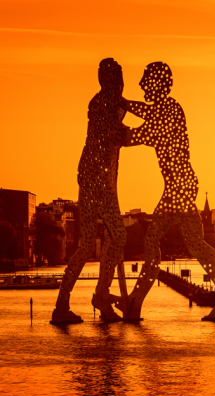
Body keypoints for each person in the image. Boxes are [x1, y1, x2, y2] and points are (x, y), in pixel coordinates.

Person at [119, 62, 215, 321]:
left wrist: (115, 130)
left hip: (179, 186)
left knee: (152, 242)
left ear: (157, 84)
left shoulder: (169, 111)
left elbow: (141, 134)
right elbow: (145, 111)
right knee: (196, 245)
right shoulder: (165, 108)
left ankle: (135, 303)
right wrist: (123, 102)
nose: (141, 85)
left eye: (145, 80)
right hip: (181, 184)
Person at [51, 58, 128, 324]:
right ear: (107, 81)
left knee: (93, 243)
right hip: (96, 182)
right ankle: (100, 295)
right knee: (116, 235)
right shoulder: (102, 105)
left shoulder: (112, 103)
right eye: (115, 79)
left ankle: (65, 305)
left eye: (119, 78)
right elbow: (119, 136)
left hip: (98, 181)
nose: (119, 84)